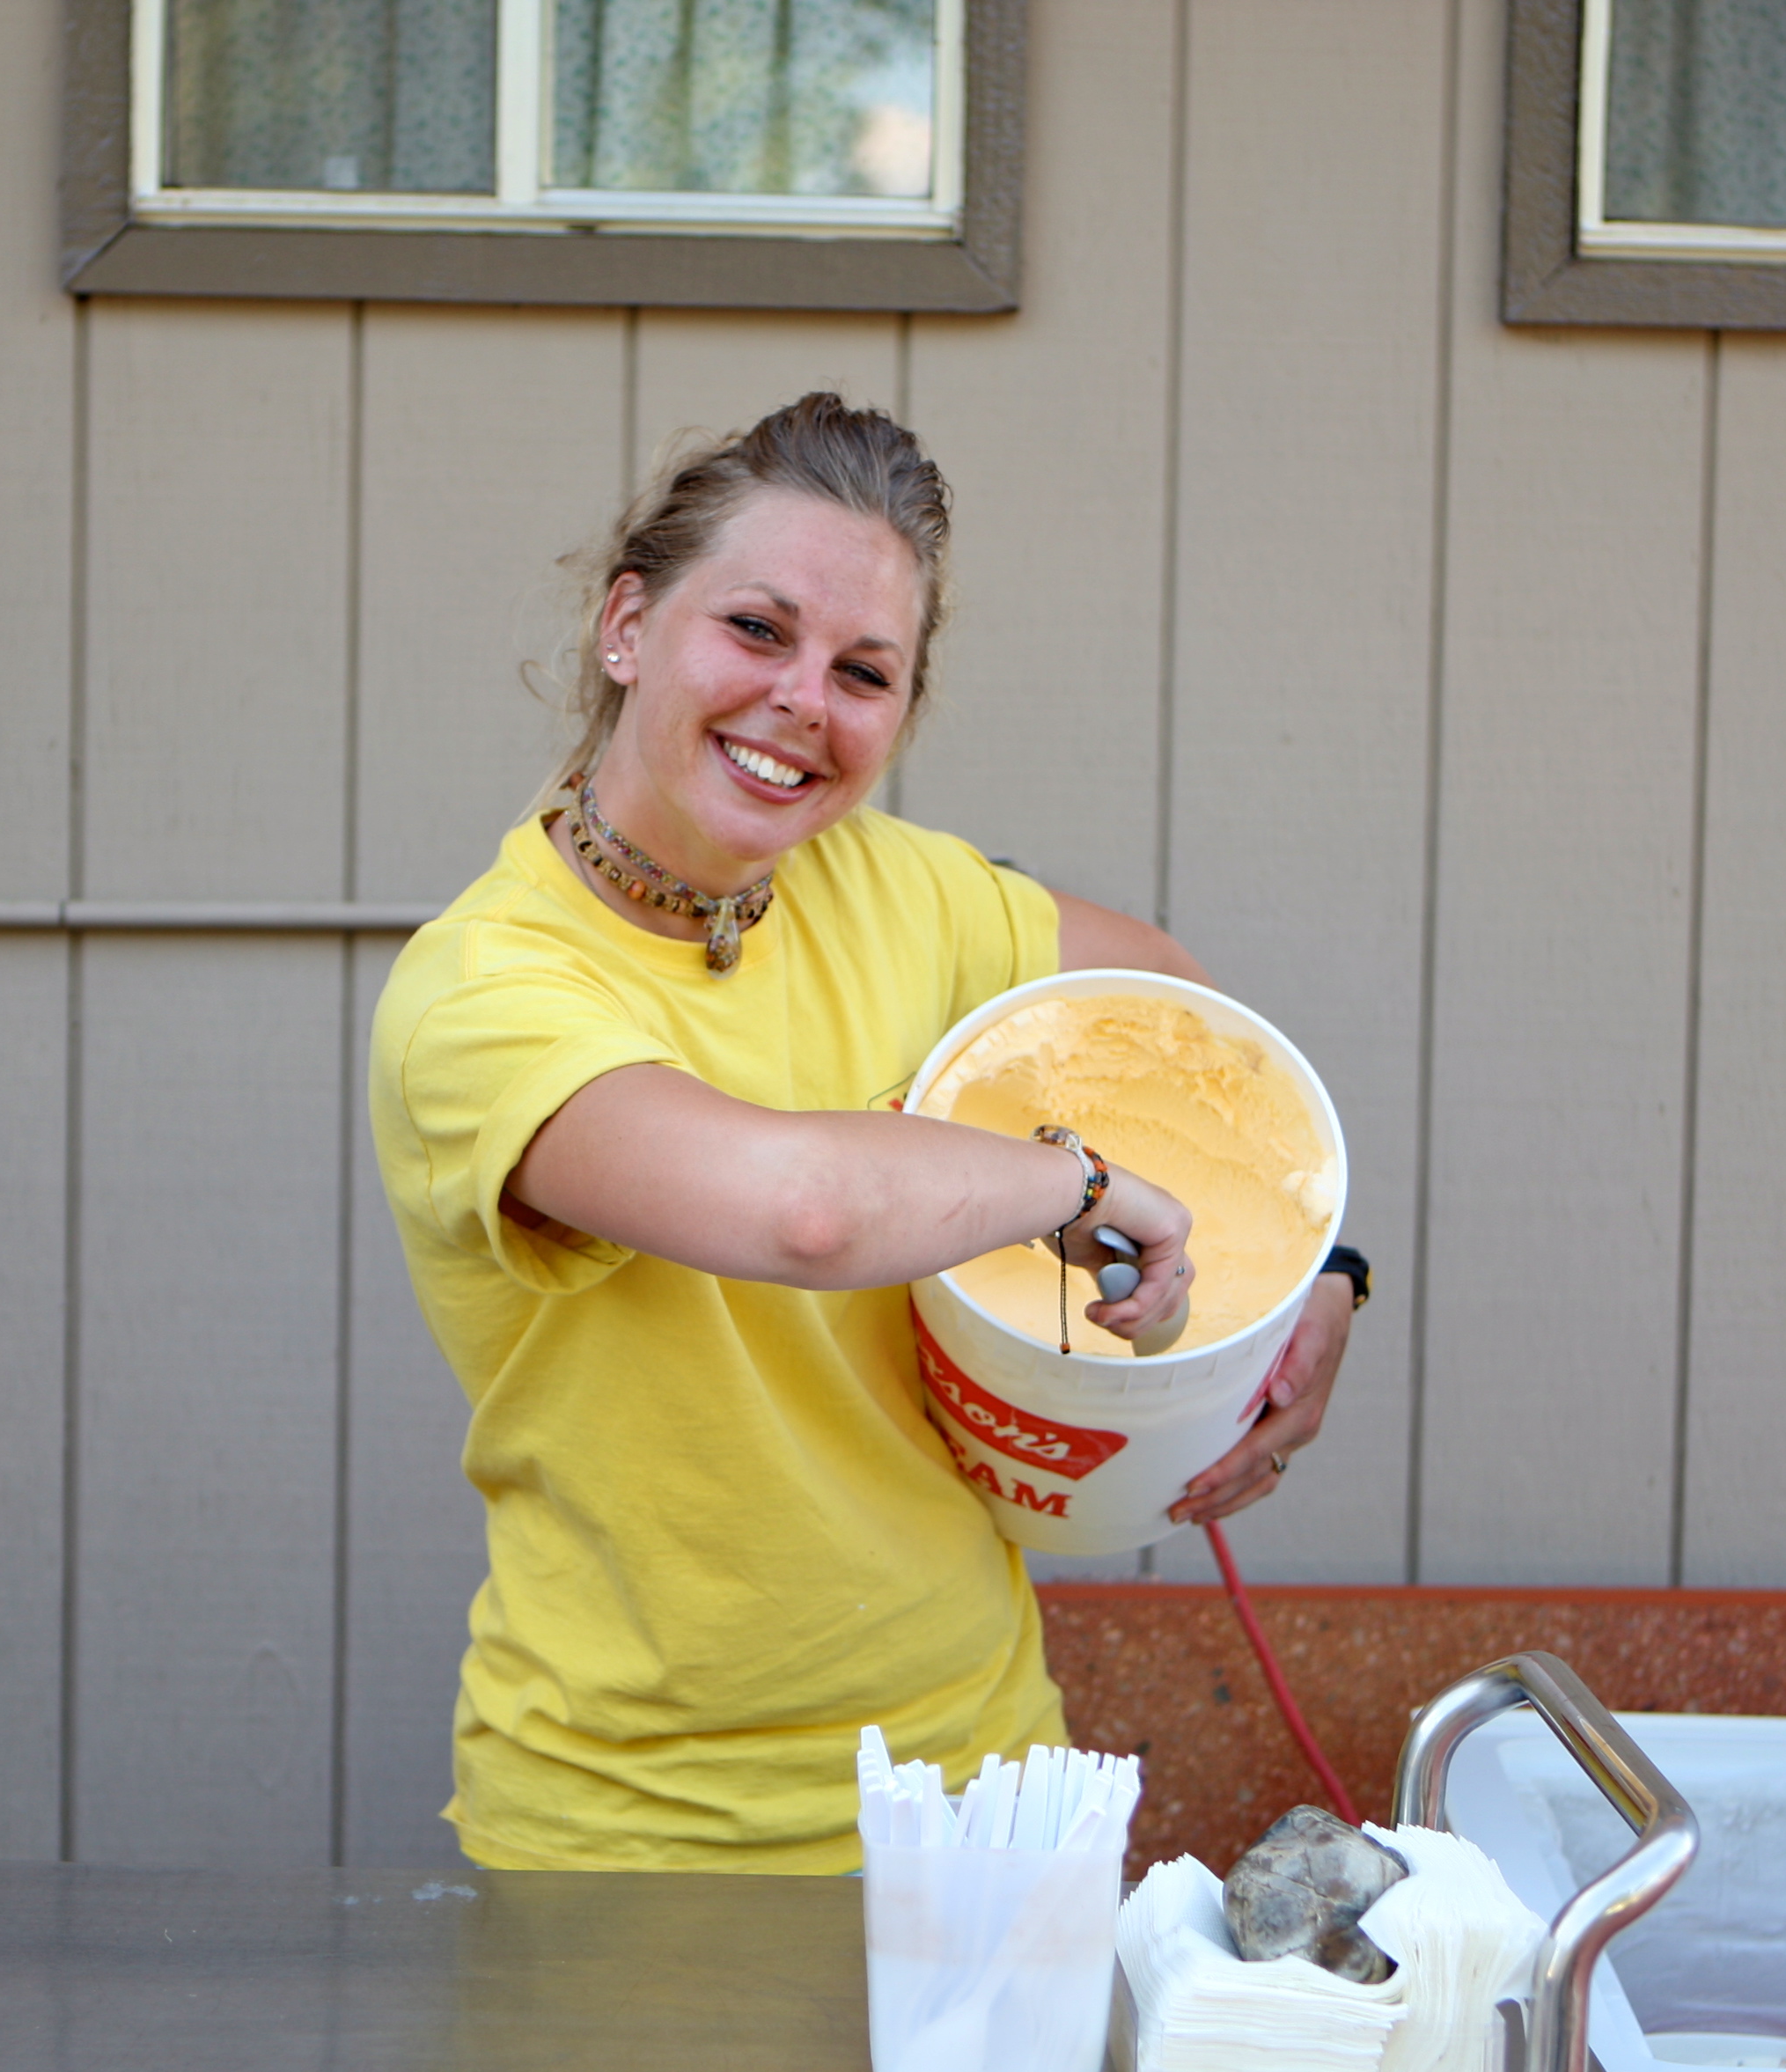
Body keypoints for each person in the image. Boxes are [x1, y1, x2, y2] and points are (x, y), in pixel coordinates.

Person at [369, 393, 1359, 1872]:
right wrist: (1069, 1184)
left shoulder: (897, 885)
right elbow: (800, 1213)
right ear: (627, 626)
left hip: (981, 1790)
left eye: (864, 671)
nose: (802, 704)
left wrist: (1316, 1280)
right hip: (644, 1837)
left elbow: (1172, 1001)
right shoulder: (487, 989)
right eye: (756, 631)